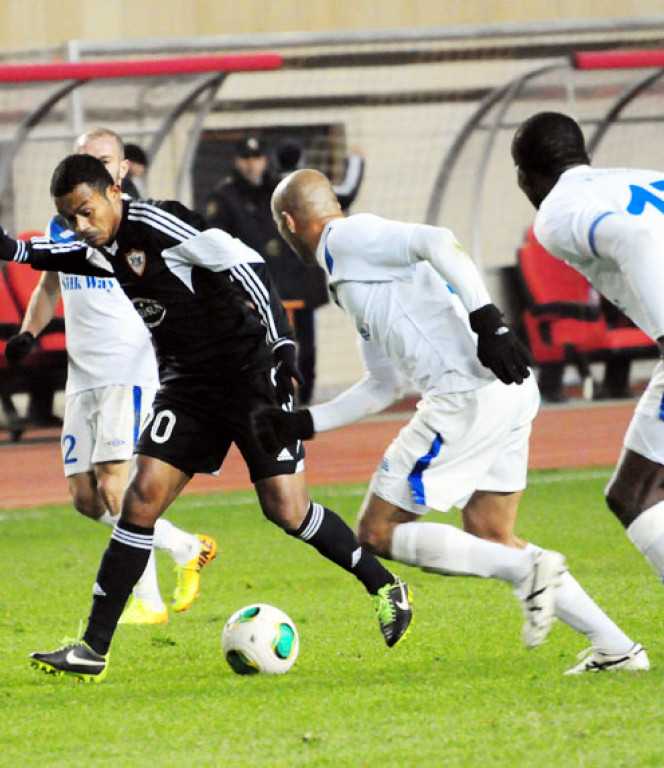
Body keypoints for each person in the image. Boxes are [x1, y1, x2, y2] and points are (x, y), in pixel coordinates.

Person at [0, 153, 413, 683]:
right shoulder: (103, 240)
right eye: (70, 217)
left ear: (114, 192)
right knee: (138, 501)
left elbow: (246, 263)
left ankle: (385, 586)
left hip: (250, 375)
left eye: (86, 211)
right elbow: (77, 257)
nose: (81, 225)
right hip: (188, 387)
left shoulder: (161, 223)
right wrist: (16, 250)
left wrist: (281, 344)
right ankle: (92, 648)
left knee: (286, 510)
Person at [255, 168, 648, 674]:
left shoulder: (347, 238)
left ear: (289, 223)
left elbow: (437, 240)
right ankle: (616, 649)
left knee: (376, 532)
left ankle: (528, 570)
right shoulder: (348, 272)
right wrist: (303, 424)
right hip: (505, 393)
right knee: (491, 532)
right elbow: (383, 385)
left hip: (464, 398)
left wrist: (490, 322)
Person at [5, 127, 216, 625]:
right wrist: (28, 333)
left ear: (121, 170)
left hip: (128, 368)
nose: (92, 166)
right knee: (85, 497)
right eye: (84, 158)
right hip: (82, 375)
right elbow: (49, 287)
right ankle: (187, 547)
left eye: (102, 159)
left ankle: (148, 602)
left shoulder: (139, 224)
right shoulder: (64, 224)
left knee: (117, 485)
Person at [512, 111, 664, 668]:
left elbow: (638, 236)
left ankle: (619, 654)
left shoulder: (557, 213)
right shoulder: (640, 178)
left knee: (637, 494)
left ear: (526, 175)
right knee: (634, 491)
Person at [205, 136, 328, 404]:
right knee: (259, 349)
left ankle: (303, 401)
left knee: (305, 346)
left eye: (256, 158)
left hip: (295, 281)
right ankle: (266, 402)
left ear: (264, 160)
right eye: (246, 159)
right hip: (255, 287)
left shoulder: (281, 191)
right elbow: (217, 243)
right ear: (237, 162)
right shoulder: (225, 196)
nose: (251, 165)